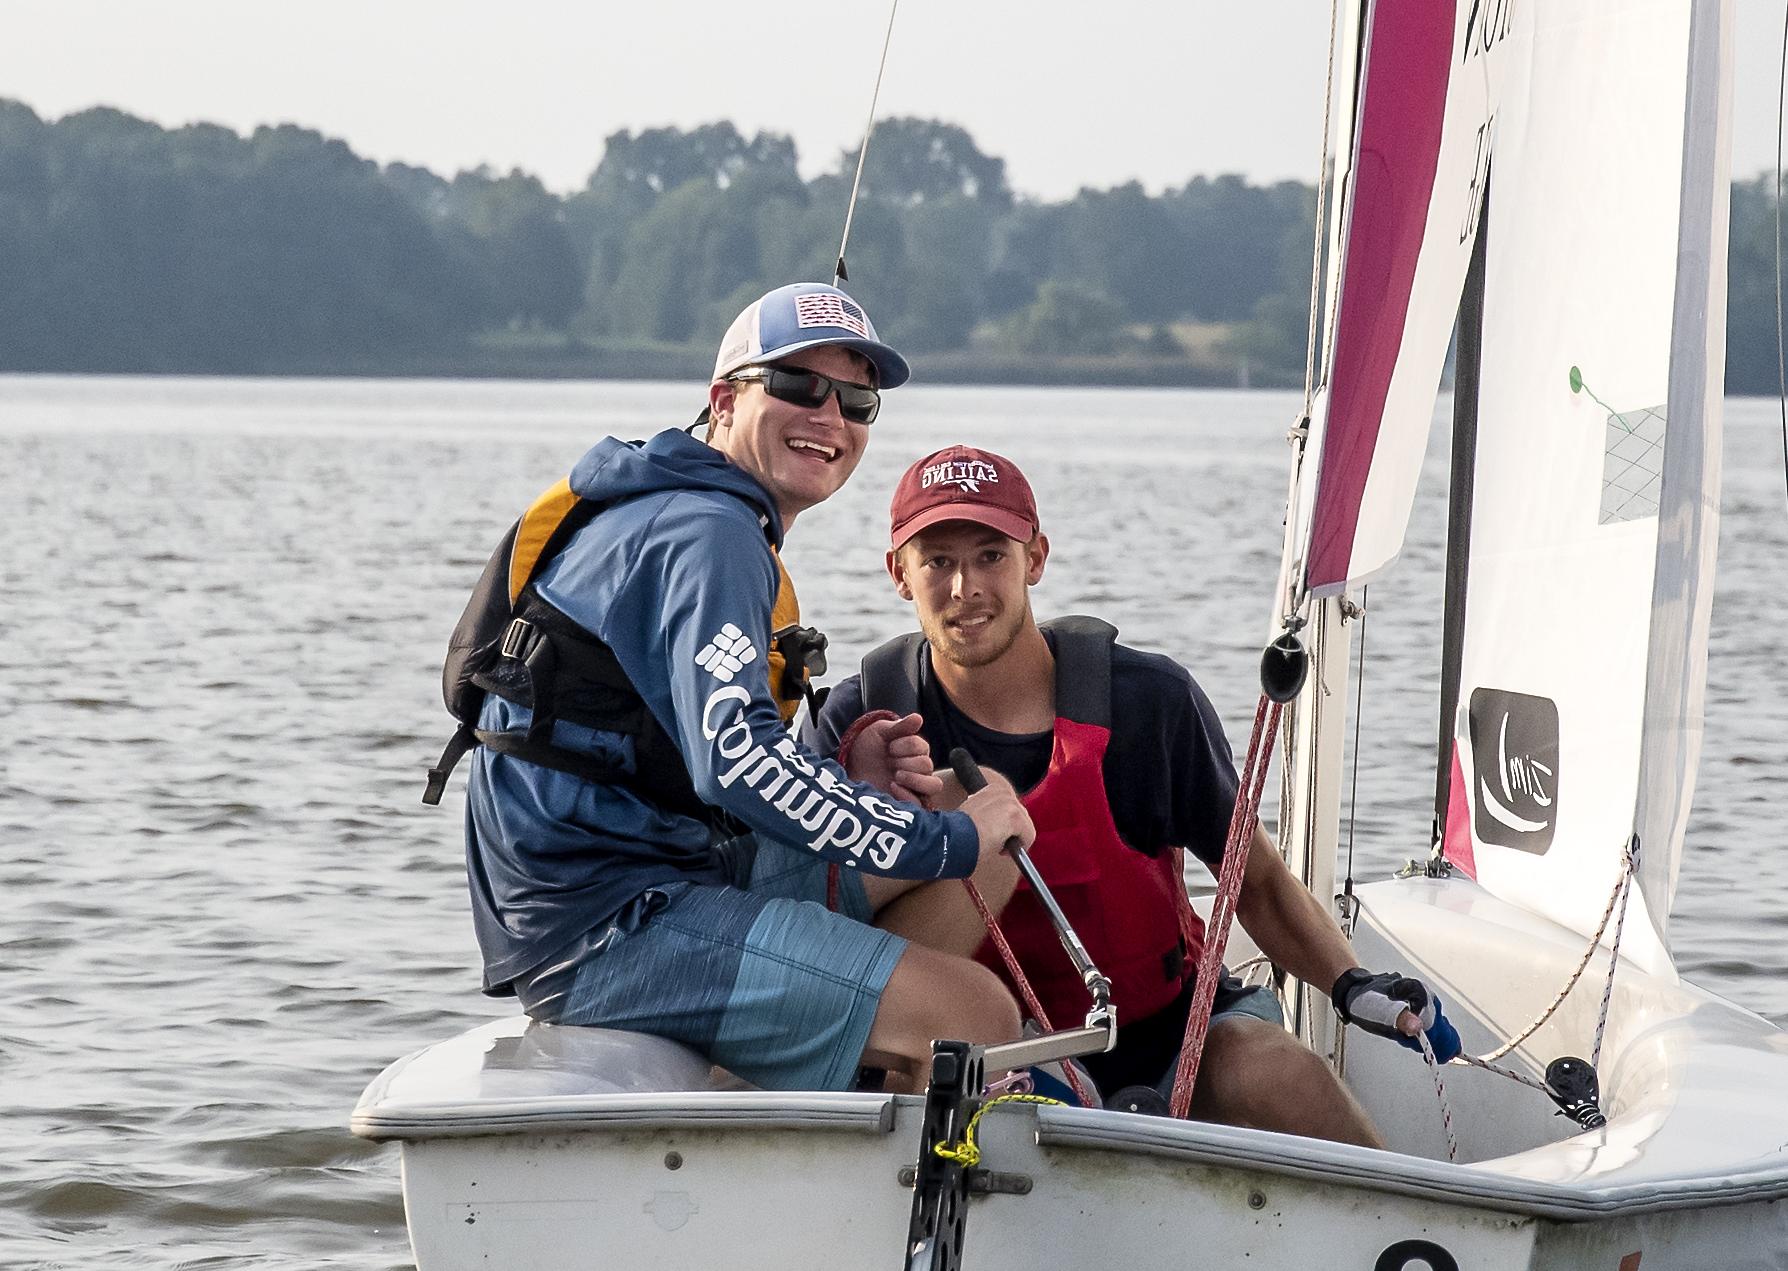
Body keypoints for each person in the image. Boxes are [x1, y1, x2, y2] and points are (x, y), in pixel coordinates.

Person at [457, 287, 1032, 1095]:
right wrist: (943, 847)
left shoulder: (685, 506)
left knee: (977, 809)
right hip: (605, 929)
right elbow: (734, 759)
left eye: (856, 399)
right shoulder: (712, 532)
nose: (829, 416)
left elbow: (683, 745)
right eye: (797, 385)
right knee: (978, 1014)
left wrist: (844, 770)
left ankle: (843, 1046)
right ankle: (826, 1121)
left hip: (661, 872)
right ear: (725, 400)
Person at [803, 445, 1460, 1144]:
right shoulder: (862, 721)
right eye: (937, 560)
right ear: (898, 574)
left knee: (1278, 1074)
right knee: (959, 1086)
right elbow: (817, 920)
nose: (965, 586)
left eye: (991, 554)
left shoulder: (1151, 702)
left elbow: (1256, 883)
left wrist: (1352, 985)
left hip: (1172, 1031)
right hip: (995, 1050)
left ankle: (1407, 1240)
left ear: (1037, 557)